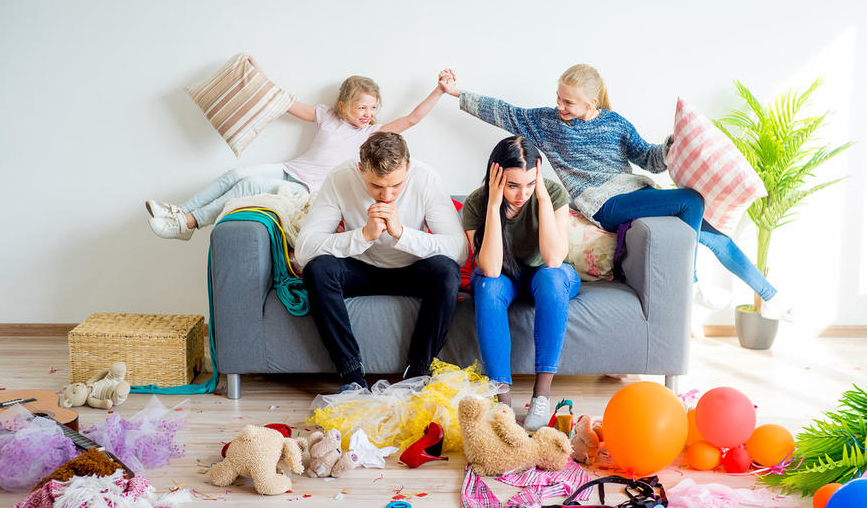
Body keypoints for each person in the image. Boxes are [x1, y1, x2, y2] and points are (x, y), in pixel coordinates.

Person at [439, 65, 791, 321]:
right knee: (691, 200)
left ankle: (769, 296)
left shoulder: (616, 123)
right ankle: (692, 281)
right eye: (559, 98)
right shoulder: (546, 123)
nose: (560, 106)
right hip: (603, 204)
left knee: (713, 235)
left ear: (592, 102)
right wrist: (457, 93)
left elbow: (650, 161)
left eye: (569, 102)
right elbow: (503, 111)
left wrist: (672, 145)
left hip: (633, 192)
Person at [146, 58, 448, 240]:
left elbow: (412, 118)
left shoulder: (372, 134)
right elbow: (283, 101)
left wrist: (439, 90)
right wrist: (256, 73)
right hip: (291, 169)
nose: (368, 113)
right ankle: (180, 212)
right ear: (342, 105)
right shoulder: (325, 116)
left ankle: (189, 222)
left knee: (249, 185)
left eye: (372, 107)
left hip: (307, 187)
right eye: (361, 106)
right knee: (235, 174)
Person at [295, 131, 469, 391]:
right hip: (361, 269)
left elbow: (460, 250)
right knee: (318, 269)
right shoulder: (340, 178)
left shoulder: (426, 178)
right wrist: (363, 236)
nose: (387, 196)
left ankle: (418, 375)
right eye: (376, 186)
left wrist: (403, 234)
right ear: (361, 169)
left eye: (396, 186)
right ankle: (352, 377)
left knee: (447, 270)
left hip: (413, 270)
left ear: (407, 168)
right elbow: (304, 248)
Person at [462, 135, 581, 431]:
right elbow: (489, 269)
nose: (521, 194)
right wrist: (492, 204)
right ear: (496, 175)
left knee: (552, 278)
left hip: (547, 276)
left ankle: (541, 396)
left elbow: (554, 259)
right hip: (504, 278)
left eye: (529, 183)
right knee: (488, 288)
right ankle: (502, 403)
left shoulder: (550, 193)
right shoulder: (478, 202)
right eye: (512, 185)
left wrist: (541, 198)